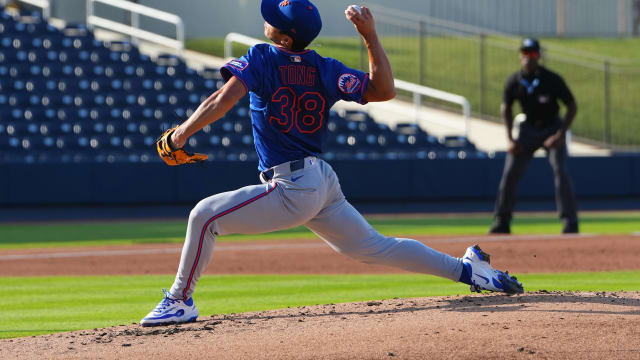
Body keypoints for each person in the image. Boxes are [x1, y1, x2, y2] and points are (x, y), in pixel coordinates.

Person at [140, 0, 523, 327]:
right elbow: (384, 90)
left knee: (203, 216)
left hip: (293, 187)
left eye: (273, 16)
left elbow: (221, 100)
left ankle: (179, 301)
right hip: (320, 180)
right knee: (375, 246)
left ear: (285, 37)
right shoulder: (325, 68)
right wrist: (369, 35)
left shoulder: (261, 57)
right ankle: (470, 271)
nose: (266, 16)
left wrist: (180, 134)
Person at [489, 38, 578, 235]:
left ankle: (570, 222)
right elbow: (506, 108)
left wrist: (561, 134)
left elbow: (571, 105)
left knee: (560, 170)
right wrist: (510, 139)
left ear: (538, 56)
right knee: (510, 172)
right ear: (520, 56)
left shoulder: (551, 79)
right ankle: (502, 221)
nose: (528, 58)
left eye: (532, 54)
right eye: (525, 53)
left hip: (552, 127)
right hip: (528, 128)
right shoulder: (514, 81)